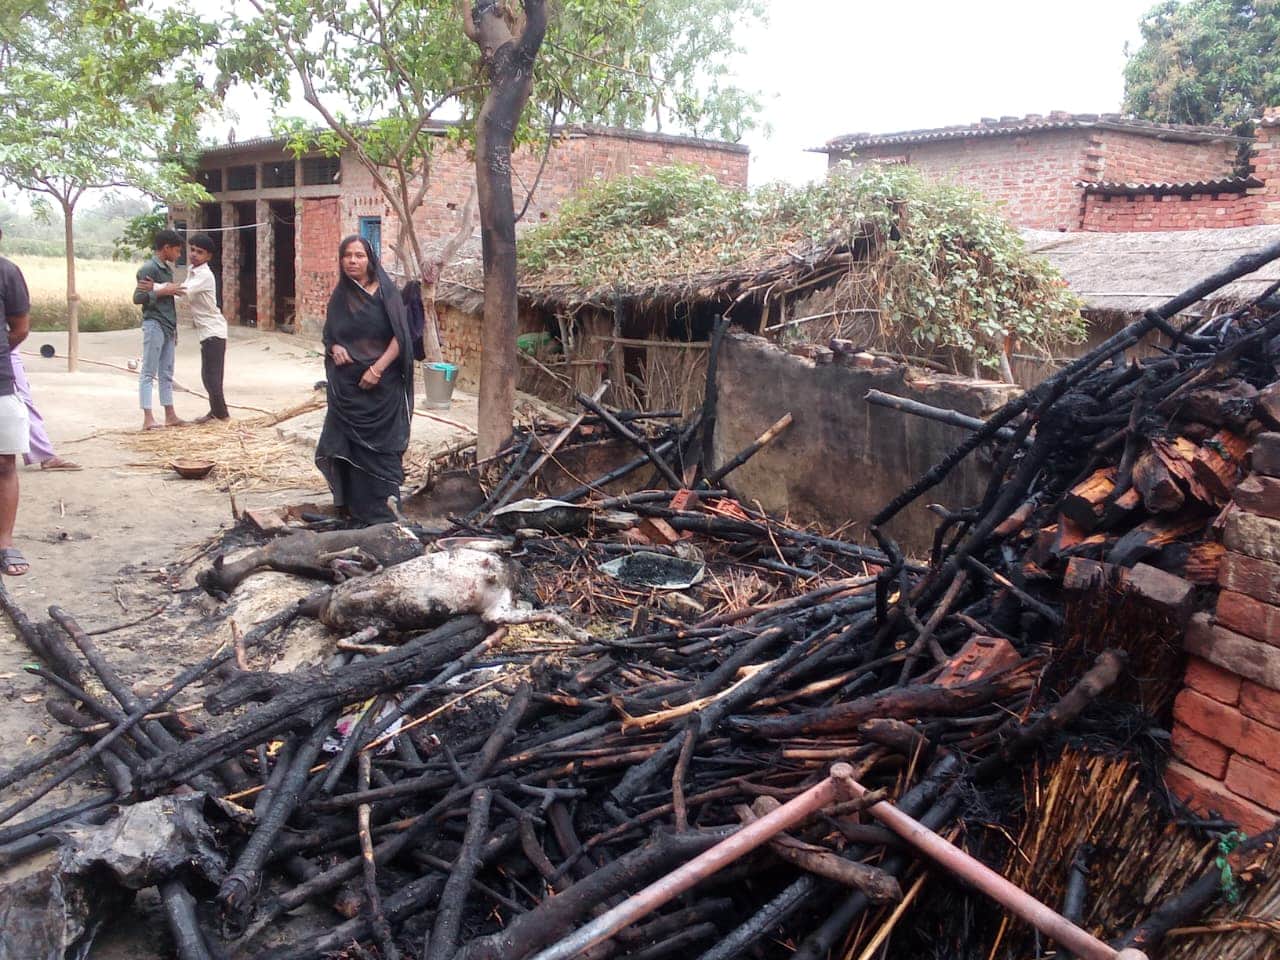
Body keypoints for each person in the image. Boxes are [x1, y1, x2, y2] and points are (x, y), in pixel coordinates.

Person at [315, 235, 414, 525]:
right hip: (348, 391)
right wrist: (335, 348)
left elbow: (400, 337)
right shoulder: (341, 296)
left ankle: (385, 514)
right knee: (346, 448)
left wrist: (377, 369)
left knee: (383, 451)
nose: (352, 261)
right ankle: (355, 511)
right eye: (347, 255)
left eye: (359, 255)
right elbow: (330, 335)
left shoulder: (386, 292)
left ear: (370, 259)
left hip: (382, 389)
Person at [133, 229, 187, 431]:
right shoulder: (149, 268)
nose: (178, 255)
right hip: (154, 323)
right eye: (177, 251)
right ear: (166, 248)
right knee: (149, 371)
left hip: (168, 325)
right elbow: (138, 298)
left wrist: (174, 328)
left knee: (166, 372)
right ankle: (148, 418)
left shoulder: (166, 269)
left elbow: (169, 301)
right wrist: (163, 291)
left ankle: (170, 414)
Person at [0, 248, 32, 575]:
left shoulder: (7, 272)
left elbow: (20, 328)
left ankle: (4, 543)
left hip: (0, 381)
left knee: (4, 463)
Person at [181, 233, 230, 422]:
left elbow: (182, 292)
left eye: (199, 252)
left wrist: (155, 289)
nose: (194, 254)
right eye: (192, 250)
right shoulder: (193, 271)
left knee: (212, 376)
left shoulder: (204, 276)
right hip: (206, 331)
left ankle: (222, 414)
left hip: (213, 330)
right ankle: (215, 411)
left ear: (208, 256)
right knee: (207, 375)